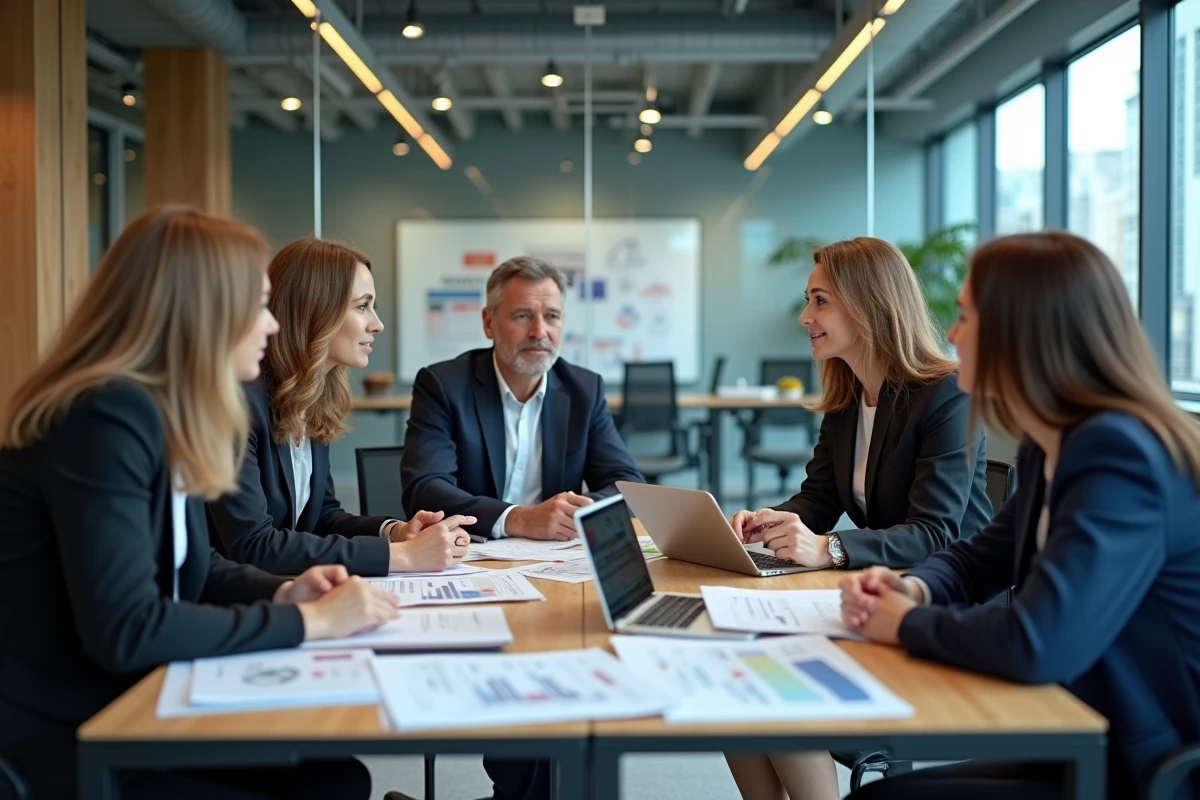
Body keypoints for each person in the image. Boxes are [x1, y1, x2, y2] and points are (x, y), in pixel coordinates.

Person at [0, 207, 399, 800]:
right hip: (69, 734)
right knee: (330, 786)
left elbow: (197, 565)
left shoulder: (159, 416)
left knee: (337, 775)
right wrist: (307, 621)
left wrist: (282, 591)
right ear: (200, 314)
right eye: (257, 306)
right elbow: (129, 628)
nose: (271, 327)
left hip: (129, 702)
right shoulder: (103, 419)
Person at [841, 231, 1200, 800]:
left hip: (1152, 764)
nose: (952, 334)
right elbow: (981, 554)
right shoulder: (1051, 441)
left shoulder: (1120, 454)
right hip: (1081, 731)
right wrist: (915, 590)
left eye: (965, 316)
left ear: (1021, 331)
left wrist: (904, 624)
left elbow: (1039, 640)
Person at [724, 237, 992, 800]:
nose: (804, 316)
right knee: (737, 675)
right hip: (872, 589)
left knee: (777, 680)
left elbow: (934, 533)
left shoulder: (947, 396)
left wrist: (828, 549)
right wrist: (769, 521)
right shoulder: (850, 398)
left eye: (819, 301)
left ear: (867, 304)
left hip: (944, 604)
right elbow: (817, 499)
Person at [400, 255, 644, 800]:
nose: (541, 332)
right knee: (534, 703)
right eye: (522, 317)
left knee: (573, 691)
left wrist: (580, 511)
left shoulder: (583, 388)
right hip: (469, 568)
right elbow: (425, 487)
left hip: (557, 576)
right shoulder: (444, 384)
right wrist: (518, 518)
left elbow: (626, 483)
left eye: (553, 316)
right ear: (489, 323)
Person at [208, 237, 470, 576]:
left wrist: (395, 533)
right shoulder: (240, 403)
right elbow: (253, 545)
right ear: (316, 311)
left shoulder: (312, 398)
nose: (377, 324)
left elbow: (322, 517)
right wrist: (401, 557)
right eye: (362, 306)